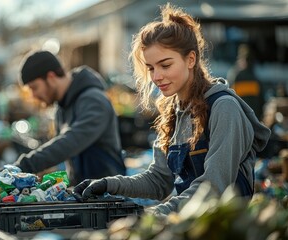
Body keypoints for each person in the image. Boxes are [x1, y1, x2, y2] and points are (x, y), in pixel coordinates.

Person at [73, 3, 271, 217]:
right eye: (151, 68)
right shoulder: (173, 112)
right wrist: (108, 184)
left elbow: (214, 187)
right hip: (188, 227)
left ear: (191, 59)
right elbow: (159, 181)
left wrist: (156, 214)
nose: (156, 76)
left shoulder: (224, 108)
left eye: (165, 65)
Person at [13, 50, 126, 185]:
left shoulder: (93, 99)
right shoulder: (62, 108)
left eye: (34, 87)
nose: (33, 96)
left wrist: (24, 166)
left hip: (109, 195)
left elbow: (71, 141)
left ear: (51, 77)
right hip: (84, 194)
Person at [227, 44, 265, 120]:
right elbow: (261, 103)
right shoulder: (256, 79)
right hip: (254, 120)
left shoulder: (234, 76)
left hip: (239, 120)